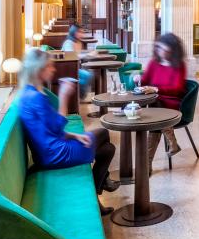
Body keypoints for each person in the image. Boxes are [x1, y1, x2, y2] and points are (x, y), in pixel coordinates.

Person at [17, 48, 119, 215]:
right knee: (103, 133)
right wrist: (64, 96)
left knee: (108, 149)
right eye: (49, 66)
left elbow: (47, 130)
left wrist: (75, 135)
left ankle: (97, 195)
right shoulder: (35, 97)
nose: (53, 69)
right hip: (55, 155)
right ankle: (101, 186)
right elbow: (57, 126)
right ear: (39, 70)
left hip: (50, 149)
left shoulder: (30, 92)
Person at [132, 33, 187, 172]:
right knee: (156, 112)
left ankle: (146, 165)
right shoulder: (154, 62)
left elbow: (178, 90)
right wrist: (138, 79)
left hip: (172, 103)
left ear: (173, 50)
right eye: (159, 48)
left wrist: (156, 89)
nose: (160, 51)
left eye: (164, 49)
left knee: (155, 111)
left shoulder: (179, 66)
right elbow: (145, 80)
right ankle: (172, 143)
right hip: (157, 102)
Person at [61, 24, 92, 96]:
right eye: (79, 32)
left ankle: (80, 95)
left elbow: (78, 54)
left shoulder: (78, 42)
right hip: (67, 69)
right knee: (87, 75)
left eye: (82, 32)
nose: (82, 34)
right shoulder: (68, 43)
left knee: (88, 74)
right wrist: (88, 54)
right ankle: (80, 96)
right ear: (74, 32)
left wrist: (89, 53)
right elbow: (72, 57)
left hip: (75, 68)